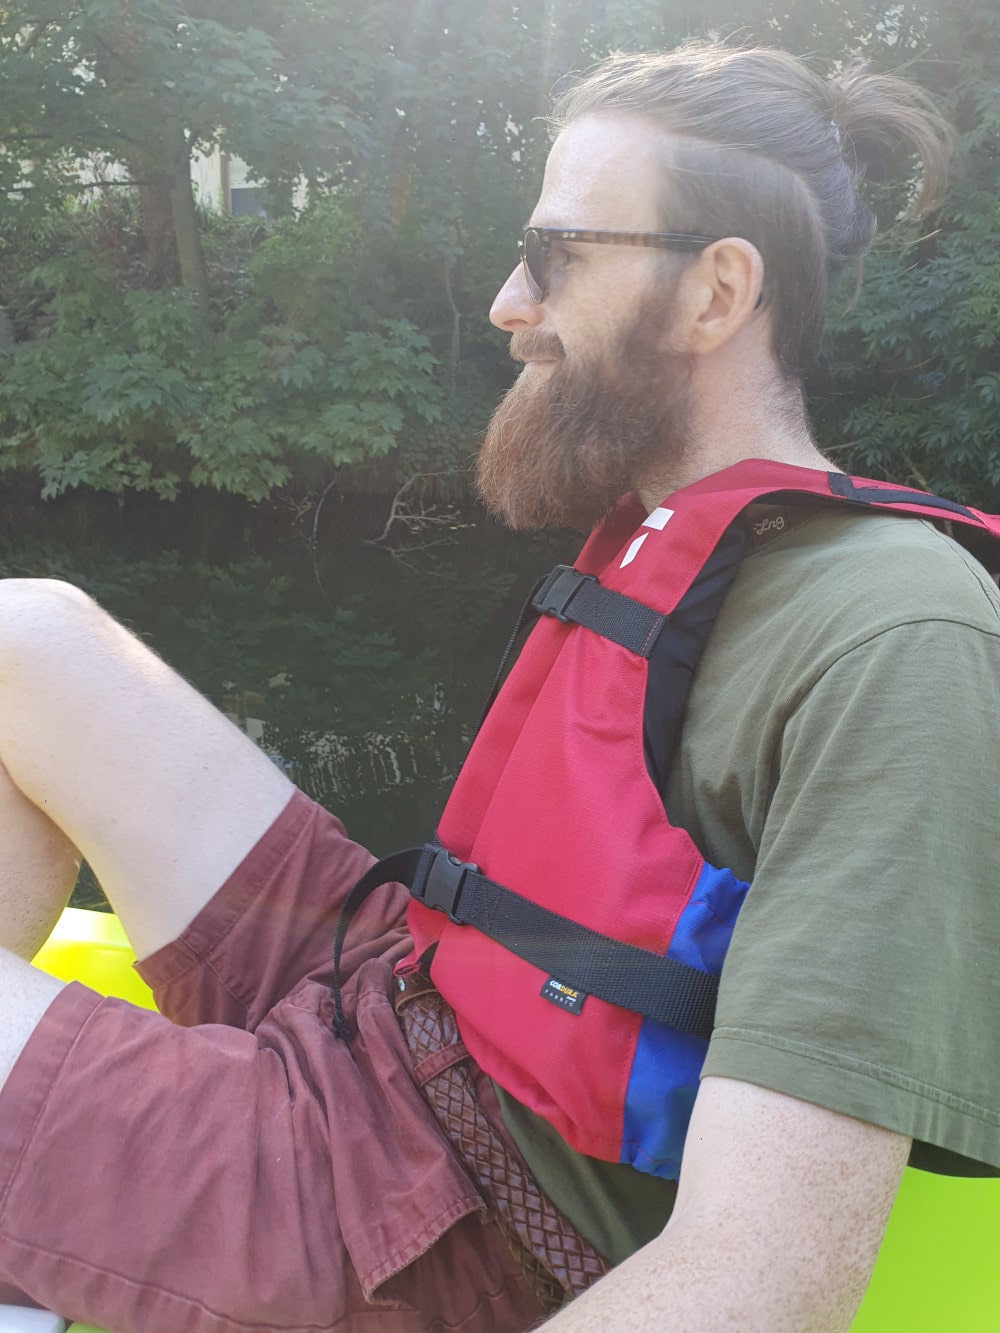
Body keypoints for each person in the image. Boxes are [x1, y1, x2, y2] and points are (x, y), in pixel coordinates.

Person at [1, 39, 999, 1333]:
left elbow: (765, 1282)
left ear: (715, 294)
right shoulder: (676, 533)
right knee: (27, 637)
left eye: (558, 255)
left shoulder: (897, 640)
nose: (506, 302)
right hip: (398, 1003)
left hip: (444, 1232)